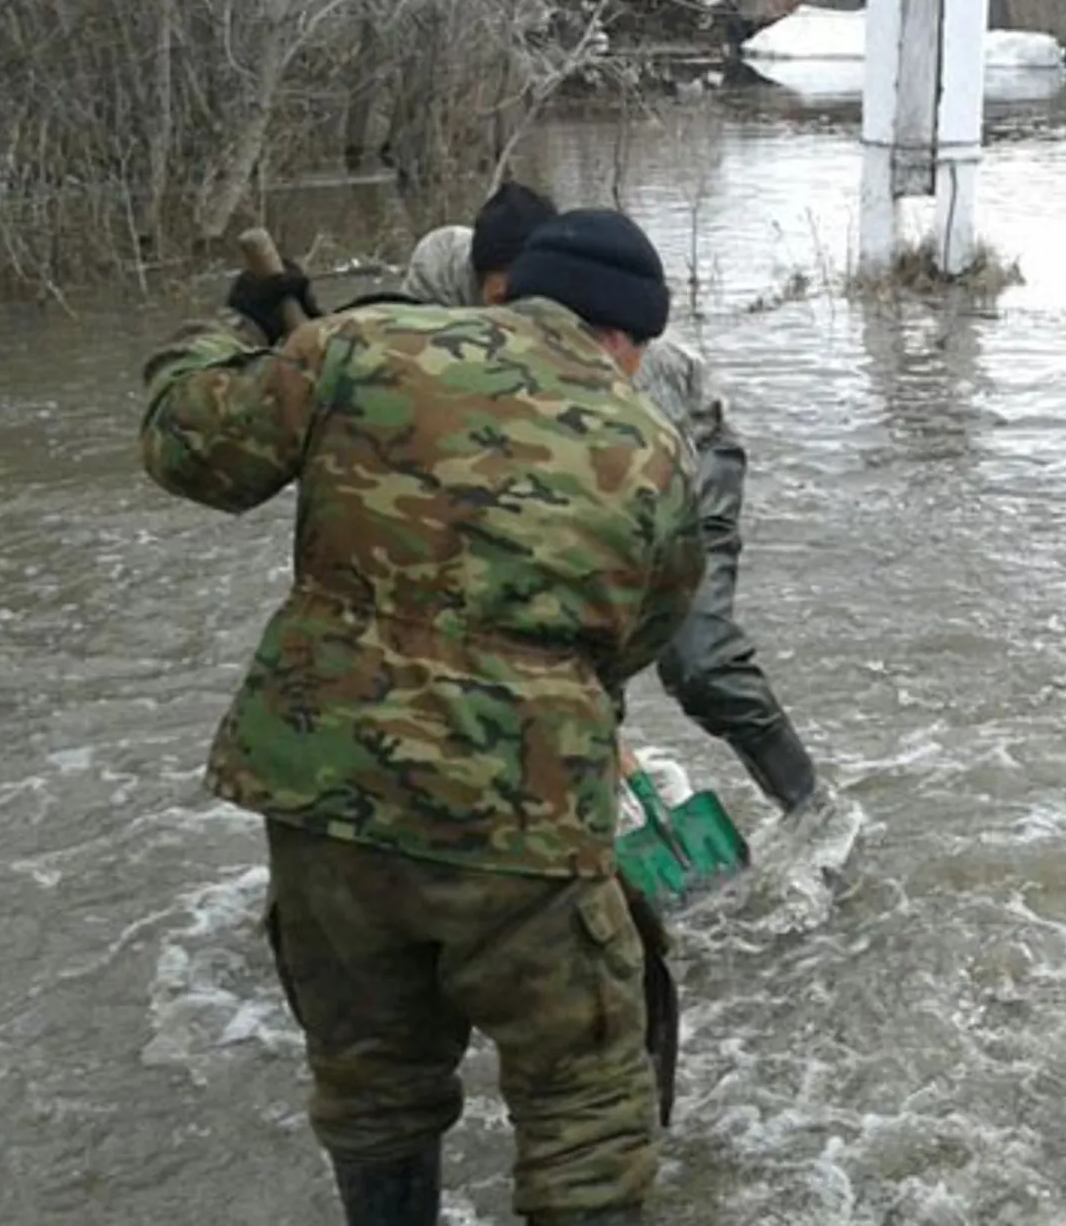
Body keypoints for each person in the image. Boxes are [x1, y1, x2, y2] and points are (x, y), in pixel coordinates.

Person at [138, 208, 706, 1226]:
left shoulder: (362, 342)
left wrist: (239, 329)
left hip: (325, 795)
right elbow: (638, 636)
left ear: (515, 288)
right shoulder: (656, 450)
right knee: (584, 1108)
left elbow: (187, 446)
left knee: (374, 1084)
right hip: (521, 818)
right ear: (626, 336)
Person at [392, 180, 823, 817]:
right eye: (498, 300)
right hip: (531, 456)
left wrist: (597, 712)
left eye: (528, 304)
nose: (515, 323)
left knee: (696, 660)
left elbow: (594, 585)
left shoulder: (619, 380)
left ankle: (812, 805)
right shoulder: (441, 274)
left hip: (687, 447)